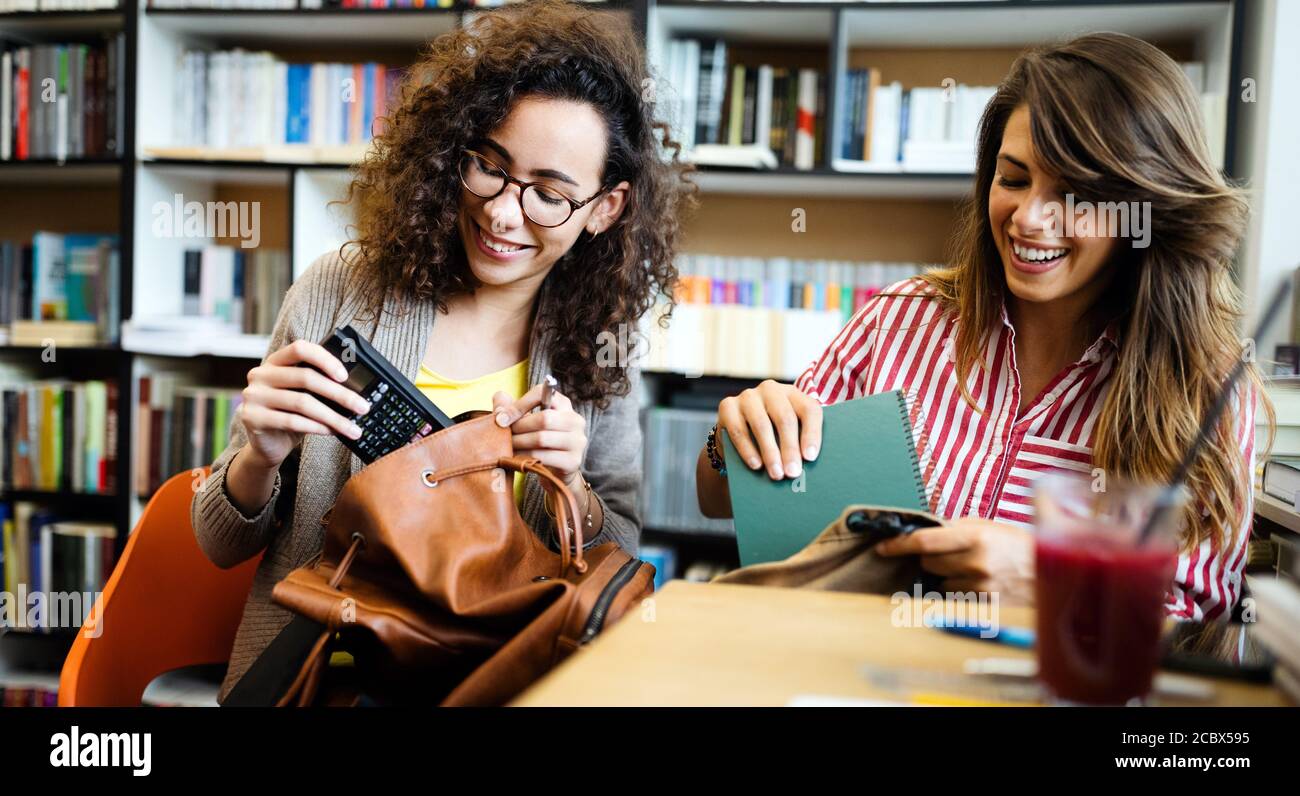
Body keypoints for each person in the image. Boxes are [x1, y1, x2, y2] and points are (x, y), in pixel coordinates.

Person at [192, 0, 693, 704]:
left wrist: (570, 487)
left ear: (604, 209)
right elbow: (219, 542)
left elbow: (614, 559)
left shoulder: (599, 344)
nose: (502, 211)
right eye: (488, 164)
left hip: (493, 683)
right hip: (315, 680)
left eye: (549, 194)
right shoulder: (339, 289)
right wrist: (259, 456)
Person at [697, 32, 1265, 622]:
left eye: (1073, 194)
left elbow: (1198, 615)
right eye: (1014, 180)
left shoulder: (1203, 383)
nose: (1028, 218)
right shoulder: (901, 319)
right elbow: (721, 501)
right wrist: (730, 442)